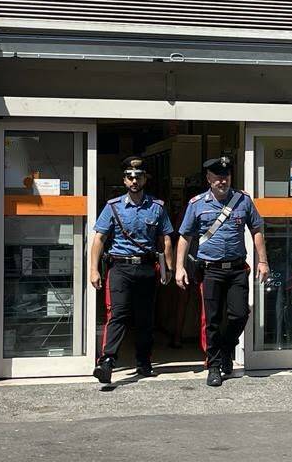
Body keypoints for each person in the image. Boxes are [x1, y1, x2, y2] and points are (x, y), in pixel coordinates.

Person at [176, 156, 269, 387]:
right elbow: (185, 236)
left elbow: (256, 230)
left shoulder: (243, 200)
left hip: (237, 268)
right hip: (211, 270)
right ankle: (215, 365)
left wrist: (263, 261)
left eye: (225, 177)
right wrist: (179, 267)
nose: (222, 181)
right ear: (209, 178)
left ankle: (227, 349)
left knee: (239, 314)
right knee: (213, 320)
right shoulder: (197, 204)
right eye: (217, 177)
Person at [89, 156, 175, 384]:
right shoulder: (113, 207)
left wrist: (169, 267)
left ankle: (143, 362)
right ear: (124, 180)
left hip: (146, 268)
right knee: (118, 315)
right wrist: (93, 269)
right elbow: (99, 238)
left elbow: (166, 238)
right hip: (120, 268)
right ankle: (107, 361)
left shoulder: (157, 207)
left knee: (145, 319)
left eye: (138, 176)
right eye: (130, 177)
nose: (134, 181)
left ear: (145, 179)